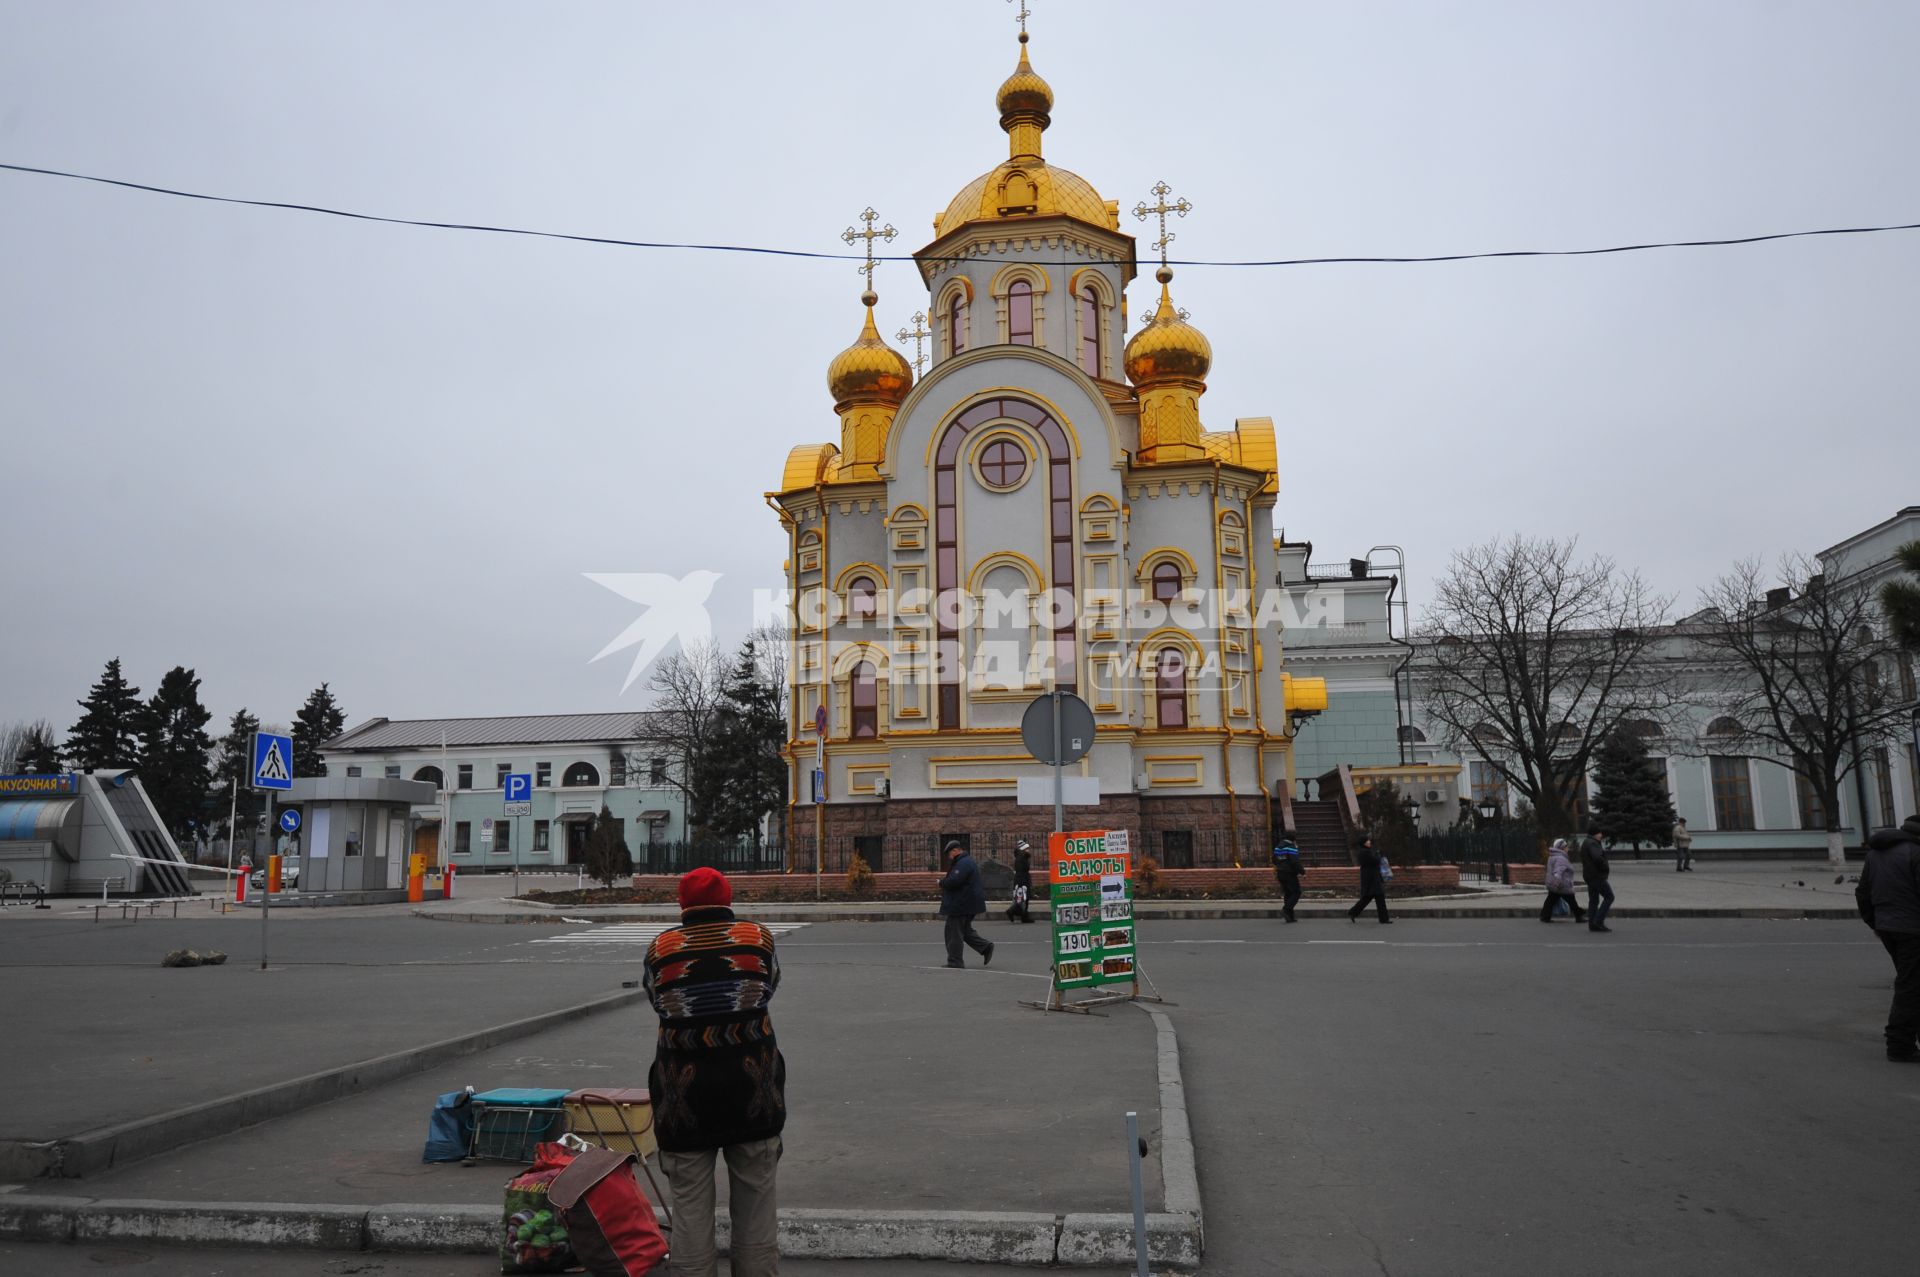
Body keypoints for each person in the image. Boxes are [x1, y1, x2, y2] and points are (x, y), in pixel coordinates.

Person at [641, 867, 784, 1277]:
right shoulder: (758, 941)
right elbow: (769, 987)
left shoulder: (660, 949)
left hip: (683, 1099)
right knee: (757, 1205)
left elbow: (657, 1000)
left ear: (682, 904)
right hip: (752, 1091)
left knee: (688, 1208)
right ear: (729, 898)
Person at [1855, 815, 1920, 1063]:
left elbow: (1862, 893)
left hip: (1888, 928)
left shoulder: (1876, 854)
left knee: (1912, 982)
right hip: (1913, 929)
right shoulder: (1915, 853)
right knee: (1910, 987)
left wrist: (1876, 923)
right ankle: (1899, 1045)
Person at [938, 841, 994, 967]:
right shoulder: (965, 861)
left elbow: (954, 881)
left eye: (949, 853)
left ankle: (955, 961)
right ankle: (985, 947)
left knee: (953, 932)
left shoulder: (963, 863)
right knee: (964, 930)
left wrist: (941, 883)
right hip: (967, 903)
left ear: (955, 850)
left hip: (962, 904)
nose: (949, 856)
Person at [1539, 838, 1587, 924]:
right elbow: (1558, 871)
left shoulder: (1553, 856)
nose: (1567, 848)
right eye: (1566, 847)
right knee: (1571, 900)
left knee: (1550, 900)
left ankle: (1544, 916)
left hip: (1555, 884)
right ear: (1562, 848)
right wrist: (1557, 882)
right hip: (1562, 884)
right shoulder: (1561, 858)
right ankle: (1579, 915)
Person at [1347, 834, 1392, 924]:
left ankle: (1353, 912)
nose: (1369, 842)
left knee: (1368, 898)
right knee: (1378, 897)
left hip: (1370, 878)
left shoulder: (1364, 851)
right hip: (1371, 878)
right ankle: (1383, 919)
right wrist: (1379, 855)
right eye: (1367, 841)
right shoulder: (1365, 852)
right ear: (1364, 843)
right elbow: (1375, 861)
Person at [1580, 824, 1614, 932]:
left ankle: (1592, 924)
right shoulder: (1593, 844)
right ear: (1595, 834)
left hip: (1590, 875)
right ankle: (1598, 921)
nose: (1601, 835)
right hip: (1597, 876)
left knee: (1594, 900)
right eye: (1600, 833)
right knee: (1609, 897)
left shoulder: (1586, 842)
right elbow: (1597, 858)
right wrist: (1605, 866)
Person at [1272, 835, 1304, 923]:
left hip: (1280, 873)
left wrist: (1281, 864)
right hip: (1290, 873)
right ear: (1293, 840)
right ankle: (1286, 909)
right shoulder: (1291, 847)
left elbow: (1274, 860)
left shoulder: (1278, 847)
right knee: (1296, 892)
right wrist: (1302, 872)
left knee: (1288, 893)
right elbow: (1295, 861)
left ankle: (1290, 916)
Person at [1005, 839, 1035, 924]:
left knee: (1022, 899)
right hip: (1022, 880)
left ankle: (1022, 915)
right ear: (1023, 849)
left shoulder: (1021, 857)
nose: (1029, 850)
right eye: (1027, 848)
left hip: (1021, 879)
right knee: (1023, 898)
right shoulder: (1022, 858)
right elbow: (1023, 870)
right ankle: (1014, 912)